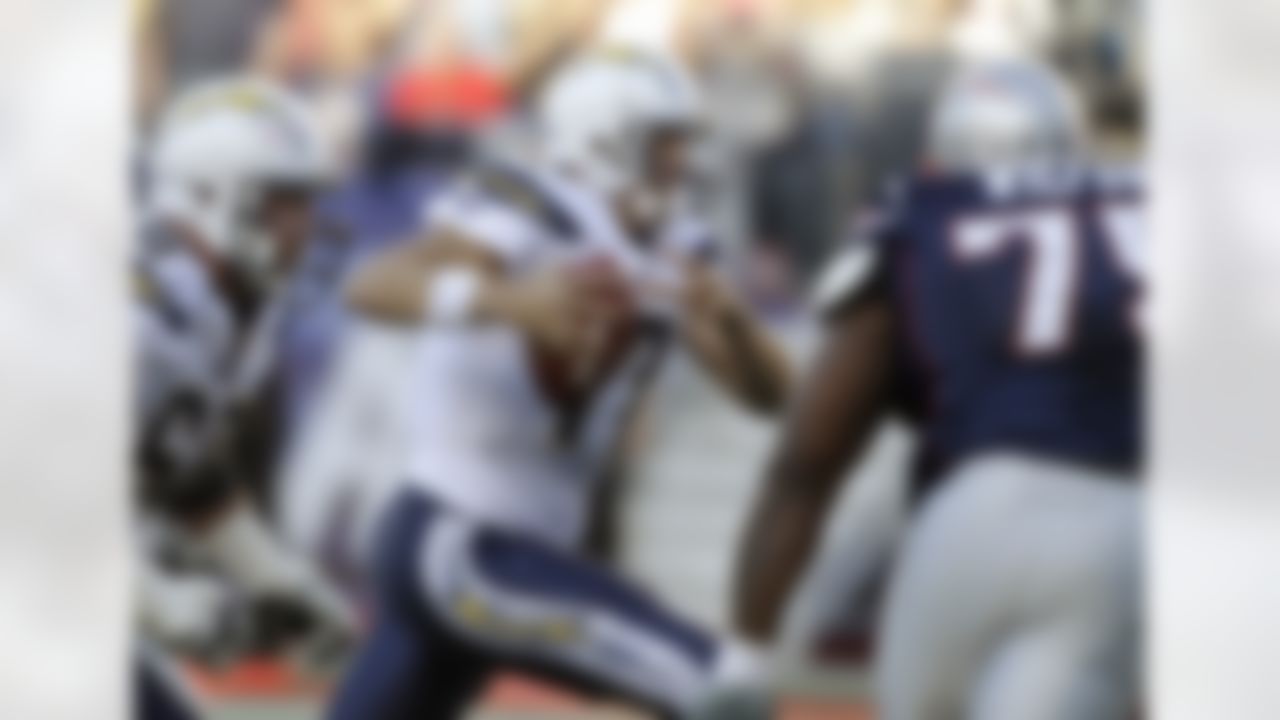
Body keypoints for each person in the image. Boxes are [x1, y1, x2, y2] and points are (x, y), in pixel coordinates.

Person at [325, 47, 790, 719]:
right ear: (605, 140)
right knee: (719, 688)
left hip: (509, 549)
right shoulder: (533, 205)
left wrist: (739, 325)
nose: (680, 162)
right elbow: (370, 285)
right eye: (663, 142)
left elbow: (771, 398)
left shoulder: (676, 245)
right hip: (460, 537)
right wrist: (508, 302)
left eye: (681, 143)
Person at [735, 58, 1143, 720]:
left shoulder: (921, 212)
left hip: (969, 518)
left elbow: (806, 463)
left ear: (938, 155)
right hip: (1123, 516)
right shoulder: (1142, 206)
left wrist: (744, 657)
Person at [133, 76, 356, 718]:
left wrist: (275, 575)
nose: (308, 228)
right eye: (287, 203)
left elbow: (180, 467)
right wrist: (151, 598)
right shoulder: (142, 318)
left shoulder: (225, 307)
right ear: (213, 198)